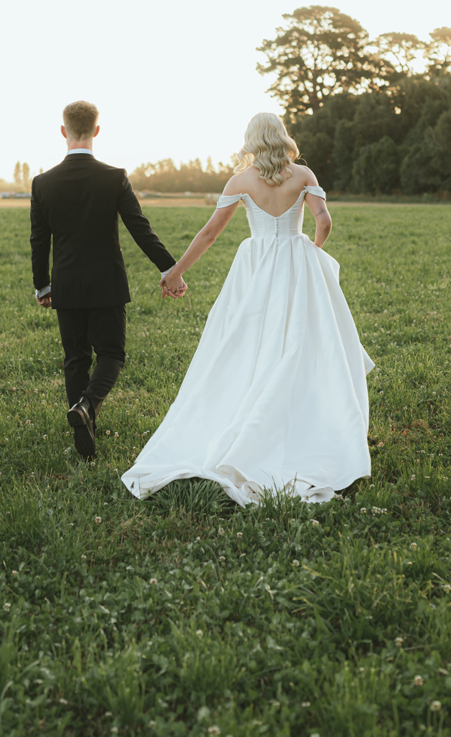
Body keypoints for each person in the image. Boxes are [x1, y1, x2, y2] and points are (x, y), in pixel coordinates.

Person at [121, 112, 373, 505]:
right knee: (302, 342)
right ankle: (300, 415)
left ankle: (247, 410)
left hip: (255, 265)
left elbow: (209, 233)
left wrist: (175, 272)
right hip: (295, 261)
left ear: (251, 140)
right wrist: (311, 252)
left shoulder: (240, 181)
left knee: (246, 340)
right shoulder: (304, 175)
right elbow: (324, 222)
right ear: (283, 137)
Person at [30, 101, 182, 459]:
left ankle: (85, 437)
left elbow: (39, 240)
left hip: (65, 285)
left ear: (63, 131)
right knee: (111, 354)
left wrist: (43, 284)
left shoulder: (42, 183)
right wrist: (169, 269)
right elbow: (140, 229)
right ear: (96, 131)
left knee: (75, 360)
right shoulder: (114, 177)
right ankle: (87, 406)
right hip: (107, 283)